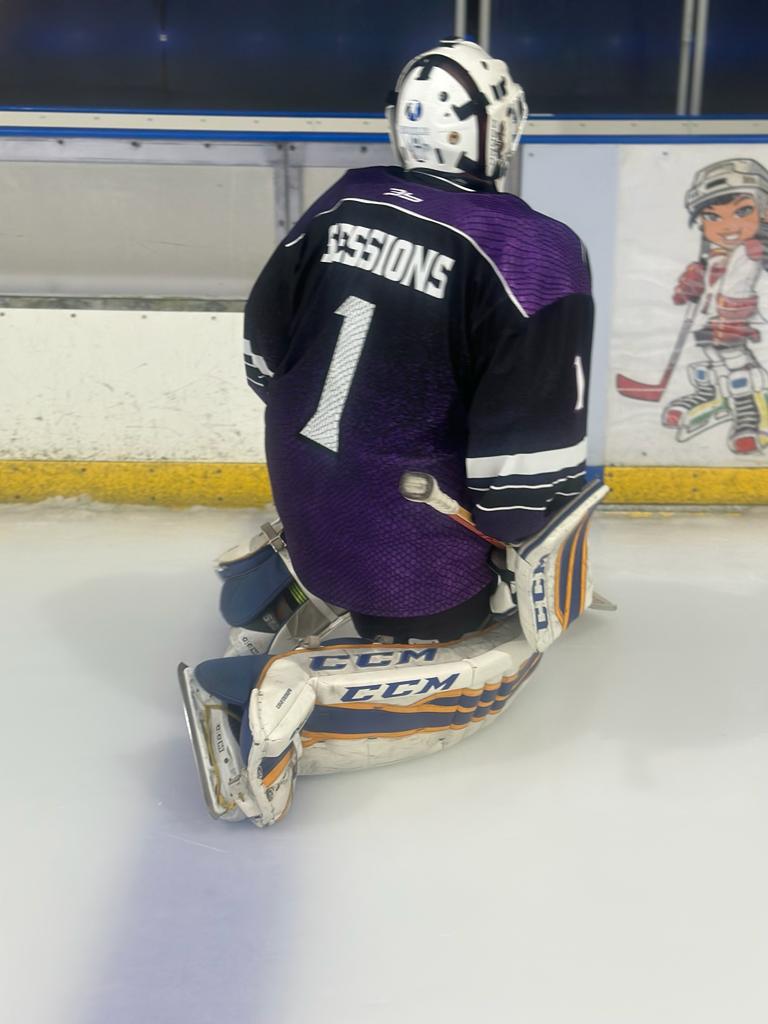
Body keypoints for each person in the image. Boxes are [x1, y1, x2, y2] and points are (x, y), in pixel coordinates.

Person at [243, 37, 594, 644]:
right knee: (527, 524)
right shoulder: (534, 250)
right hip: (413, 573)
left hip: (305, 509)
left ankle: (307, 582)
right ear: (497, 130)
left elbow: (262, 362)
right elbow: (520, 487)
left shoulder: (342, 199)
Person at [663, 158, 768, 454]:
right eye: (712, 217)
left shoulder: (752, 251)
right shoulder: (715, 255)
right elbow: (711, 282)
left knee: (734, 361)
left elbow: (741, 286)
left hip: (738, 322)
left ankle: (747, 411)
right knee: (706, 359)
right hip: (712, 318)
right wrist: (692, 283)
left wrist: (735, 316)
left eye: (742, 211)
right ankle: (708, 393)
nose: (727, 226)